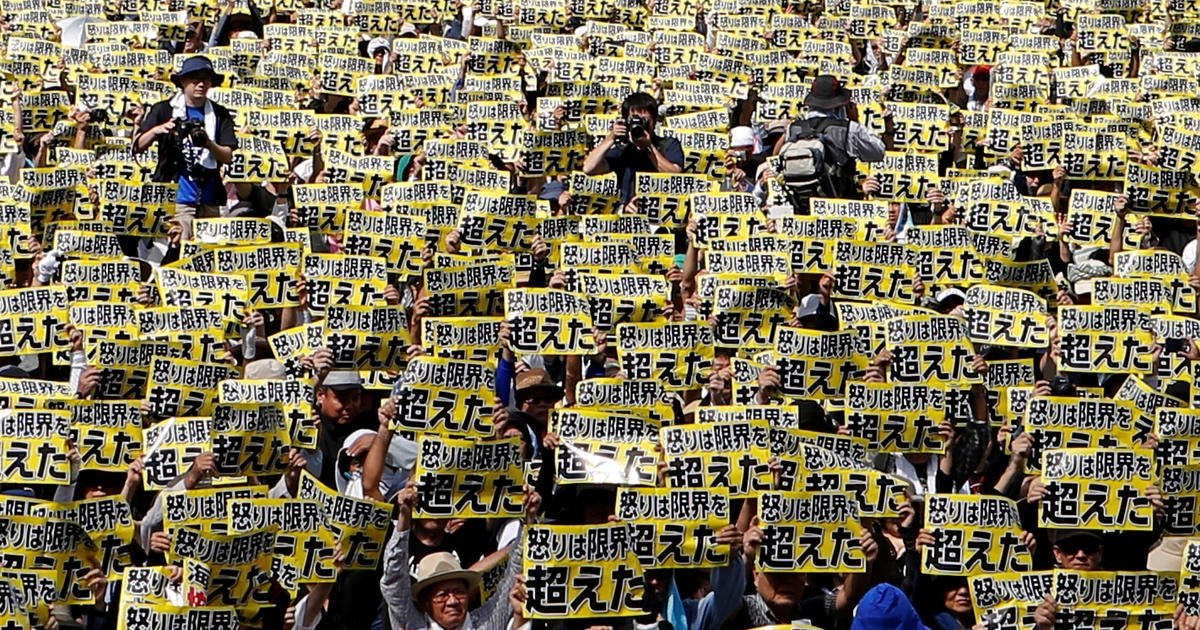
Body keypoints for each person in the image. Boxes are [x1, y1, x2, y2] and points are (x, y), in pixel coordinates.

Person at [133, 55, 238, 241]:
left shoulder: (220, 113)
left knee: (207, 252)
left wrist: (208, 143)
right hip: (176, 197)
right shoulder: (164, 109)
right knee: (177, 244)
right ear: (182, 81)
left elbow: (228, 156)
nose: (201, 85)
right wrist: (158, 130)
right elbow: (138, 146)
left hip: (210, 197)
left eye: (206, 80)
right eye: (195, 79)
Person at [582, 91, 684, 204]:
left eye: (644, 121)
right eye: (634, 120)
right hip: (630, 214)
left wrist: (648, 147)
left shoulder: (668, 144)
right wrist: (611, 138)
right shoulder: (623, 150)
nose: (639, 125)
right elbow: (588, 168)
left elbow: (675, 176)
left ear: (655, 121)